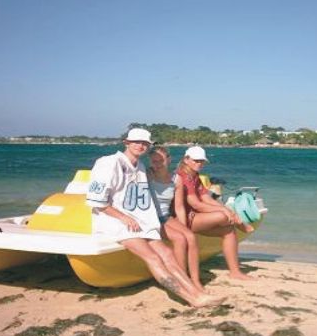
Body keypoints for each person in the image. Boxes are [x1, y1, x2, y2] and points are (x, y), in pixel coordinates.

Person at [86, 129, 222, 307]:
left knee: (168, 254)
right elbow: (96, 201)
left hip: (139, 222)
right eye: (136, 142)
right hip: (116, 222)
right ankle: (192, 299)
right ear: (126, 142)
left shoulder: (141, 168)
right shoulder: (109, 163)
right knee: (153, 258)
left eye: (145, 143)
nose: (141, 145)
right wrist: (124, 218)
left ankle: (197, 293)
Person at [176, 146, 255, 281]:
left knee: (228, 230)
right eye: (196, 160)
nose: (199, 164)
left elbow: (206, 198)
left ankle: (235, 272)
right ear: (186, 160)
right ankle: (240, 223)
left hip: (194, 216)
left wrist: (227, 209)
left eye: (202, 161)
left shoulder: (194, 176)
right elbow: (195, 204)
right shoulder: (183, 176)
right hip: (183, 219)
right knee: (223, 216)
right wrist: (224, 211)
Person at [147, 146, 203, 292]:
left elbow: (179, 207)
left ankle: (195, 280)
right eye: (154, 161)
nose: (157, 164)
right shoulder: (147, 175)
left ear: (169, 160)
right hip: (151, 218)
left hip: (166, 217)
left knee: (190, 236)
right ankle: (183, 280)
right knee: (180, 238)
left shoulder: (176, 179)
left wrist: (184, 227)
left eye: (161, 160)